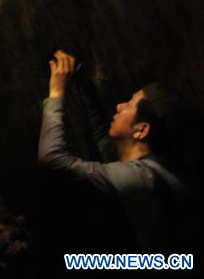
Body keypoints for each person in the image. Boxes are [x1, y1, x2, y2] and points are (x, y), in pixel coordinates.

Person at [38, 50, 189, 253]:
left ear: (141, 130)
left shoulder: (140, 179)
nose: (119, 106)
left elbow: (51, 159)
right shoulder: (149, 166)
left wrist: (56, 93)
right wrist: (81, 84)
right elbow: (103, 141)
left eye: (128, 105)